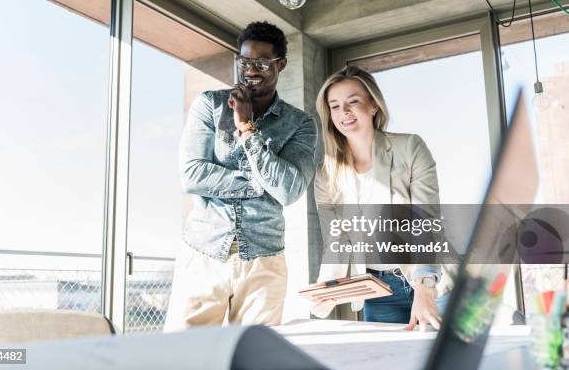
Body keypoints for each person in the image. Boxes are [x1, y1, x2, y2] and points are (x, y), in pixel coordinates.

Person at [164, 21, 318, 332]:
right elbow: (192, 175)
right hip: (204, 253)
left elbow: (289, 191)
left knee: (253, 357)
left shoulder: (301, 124)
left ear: (281, 64)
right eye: (245, 61)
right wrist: (262, 184)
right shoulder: (210, 105)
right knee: (181, 355)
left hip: (265, 261)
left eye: (262, 62)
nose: (251, 70)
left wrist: (247, 128)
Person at [312, 65, 453, 330]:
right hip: (378, 292)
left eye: (353, 102)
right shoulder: (326, 174)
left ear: (374, 106)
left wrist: (424, 288)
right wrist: (327, 290)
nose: (344, 112)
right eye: (335, 106)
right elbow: (336, 240)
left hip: (431, 281)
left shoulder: (410, 147)